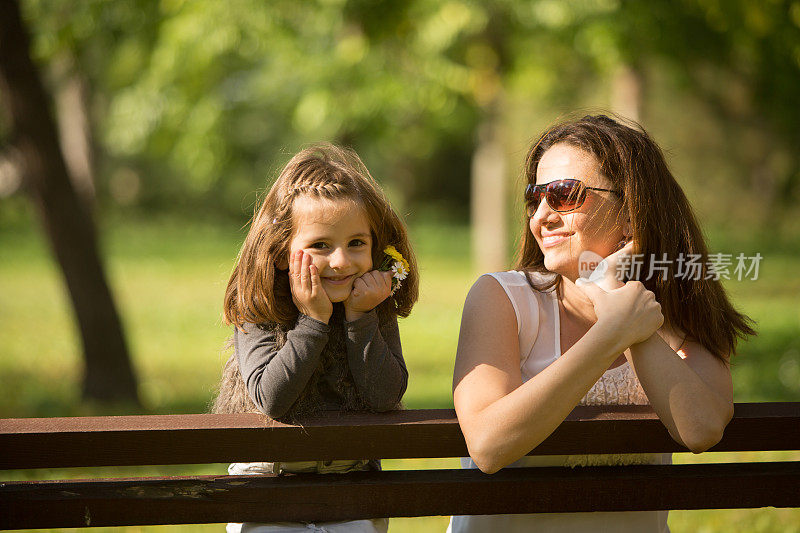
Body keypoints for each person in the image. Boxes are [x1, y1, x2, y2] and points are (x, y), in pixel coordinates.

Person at [448, 114, 755, 532]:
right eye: (535, 197)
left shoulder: (676, 309)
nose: (541, 216)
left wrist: (613, 297)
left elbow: (700, 429)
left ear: (631, 213)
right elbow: (488, 445)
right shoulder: (501, 298)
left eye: (565, 195)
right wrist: (613, 333)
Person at [212, 143, 418, 533]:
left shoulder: (371, 304)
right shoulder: (258, 306)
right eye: (321, 245)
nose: (341, 260)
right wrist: (313, 320)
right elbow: (271, 399)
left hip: (353, 486)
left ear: (376, 247)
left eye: (356, 243)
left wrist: (361, 317)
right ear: (278, 253)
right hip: (268, 490)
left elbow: (385, 395)